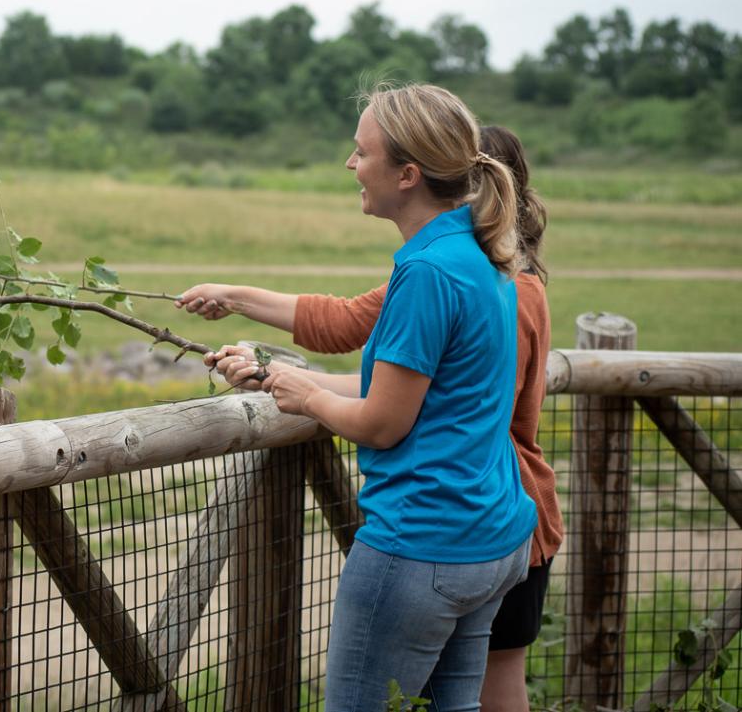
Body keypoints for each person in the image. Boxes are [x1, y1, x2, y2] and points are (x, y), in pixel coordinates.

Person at [177, 123, 561, 711]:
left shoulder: (431, 272)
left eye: (363, 151)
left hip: (426, 533)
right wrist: (273, 357)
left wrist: (308, 398)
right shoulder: (483, 259)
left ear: (410, 175)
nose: (350, 162)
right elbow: (402, 376)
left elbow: (387, 419)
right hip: (488, 531)